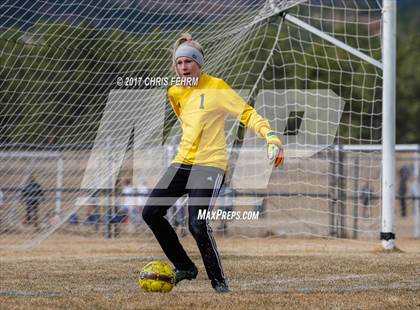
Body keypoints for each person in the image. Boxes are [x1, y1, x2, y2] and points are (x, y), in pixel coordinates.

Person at [142, 33, 285, 293]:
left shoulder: (217, 87)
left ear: (199, 64)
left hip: (210, 165)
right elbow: (187, 123)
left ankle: (219, 284)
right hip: (181, 162)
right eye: (179, 63)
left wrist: (270, 136)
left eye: (189, 62)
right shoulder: (174, 92)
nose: (184, 67)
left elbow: (247, 113)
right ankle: (184, 266)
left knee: (197, 224)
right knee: (150, 213)